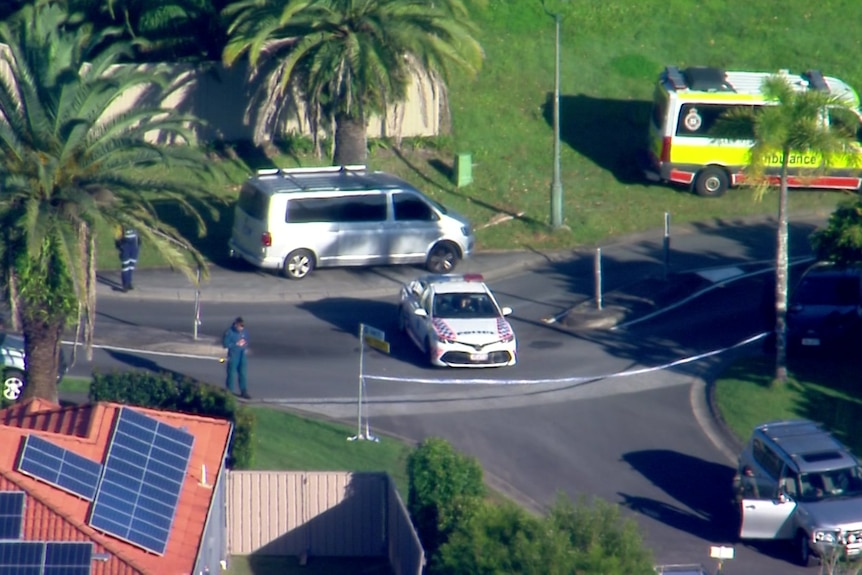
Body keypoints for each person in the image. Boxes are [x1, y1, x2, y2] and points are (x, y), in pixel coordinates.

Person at [223, 317, 250, 399]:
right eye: (240, 326)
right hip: (233, 354)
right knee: (231, 373)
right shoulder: (229, 332)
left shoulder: (244, 332)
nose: (242, 328)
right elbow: (225, 344)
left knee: (243, 373)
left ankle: (243, 391)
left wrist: (244, 345)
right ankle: (229, 391)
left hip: (242, 354)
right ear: (236, 325)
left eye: (243, 326)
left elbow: (247, 340)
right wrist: (236, 344)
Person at [116, 227, 141, 292]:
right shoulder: (121, 223)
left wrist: (139, 241)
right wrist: (118, 244)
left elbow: (138, 232)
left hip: (134, 244)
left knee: (132, 265)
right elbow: (118, 234)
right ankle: (125, 285)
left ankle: (129, 282)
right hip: (125, 244)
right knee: (125, 265)